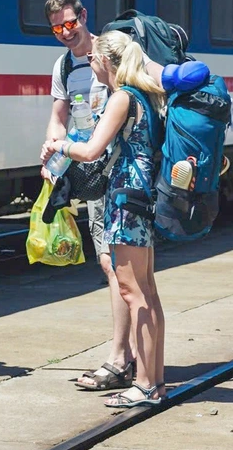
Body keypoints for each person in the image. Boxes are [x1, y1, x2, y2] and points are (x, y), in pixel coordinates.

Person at [41, 31, 168, 408]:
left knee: (133, 292)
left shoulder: (122, 97)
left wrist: (59, 146)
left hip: (125, 197)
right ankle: (155, 383)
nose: (90, 63)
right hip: (140, 194)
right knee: (146, 292)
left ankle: (144, 385)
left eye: (94, 58)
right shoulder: (143, 95)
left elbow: (91, 150)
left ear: (107, 61)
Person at [42, 0, 136, 392]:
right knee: (111, 264)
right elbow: (58, 118)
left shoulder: (110, 53)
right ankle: (131, 356)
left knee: (119, 266)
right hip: (92, 173)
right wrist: (53, 150)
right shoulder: (64, 66)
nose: (65, 33)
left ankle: (121, 358)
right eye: (57, 28)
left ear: (83, 15)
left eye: (69, 23)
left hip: (122, 173)